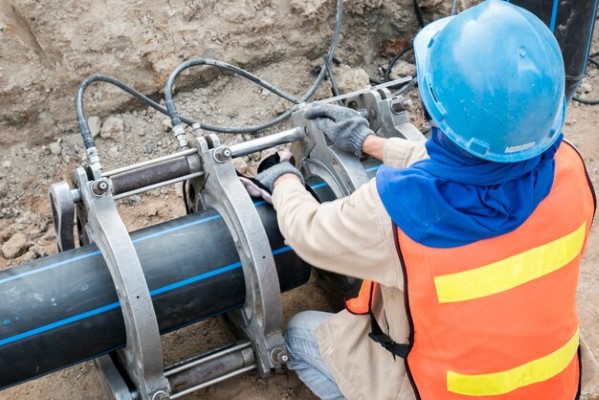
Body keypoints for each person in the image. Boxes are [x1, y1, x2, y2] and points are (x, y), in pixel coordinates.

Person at [254, 1, 597, 398]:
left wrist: (282, 179)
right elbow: (483, 172)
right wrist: (374, 144)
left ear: (434, 103)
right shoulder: (572, 169)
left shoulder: (401, 211)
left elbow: (309, 233)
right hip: (553, 387)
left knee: (299, 335)